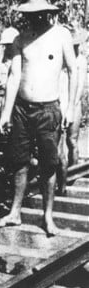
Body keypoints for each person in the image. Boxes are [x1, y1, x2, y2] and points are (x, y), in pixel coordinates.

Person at [0, 0, 78, 236]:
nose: (34, 17)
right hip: (22, 109)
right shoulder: (21, 38)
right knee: (19, 162)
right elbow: (13, 77)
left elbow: (74, 71)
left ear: (48, 10)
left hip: (48, 109)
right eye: (30, 13)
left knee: (48, 164)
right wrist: (5, 112)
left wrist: (70, 107)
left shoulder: (61, 35)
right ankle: (15, 212)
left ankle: (48, 216)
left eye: (39, 12)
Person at [57, 29, 88, 194]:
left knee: (72, 141)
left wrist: (71, 107)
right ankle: (61, 177)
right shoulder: (61, 59)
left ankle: (73, 174)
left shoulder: (80, 61)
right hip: (60, 102)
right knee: (58, 145)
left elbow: (79, 88)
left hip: (73, 104)